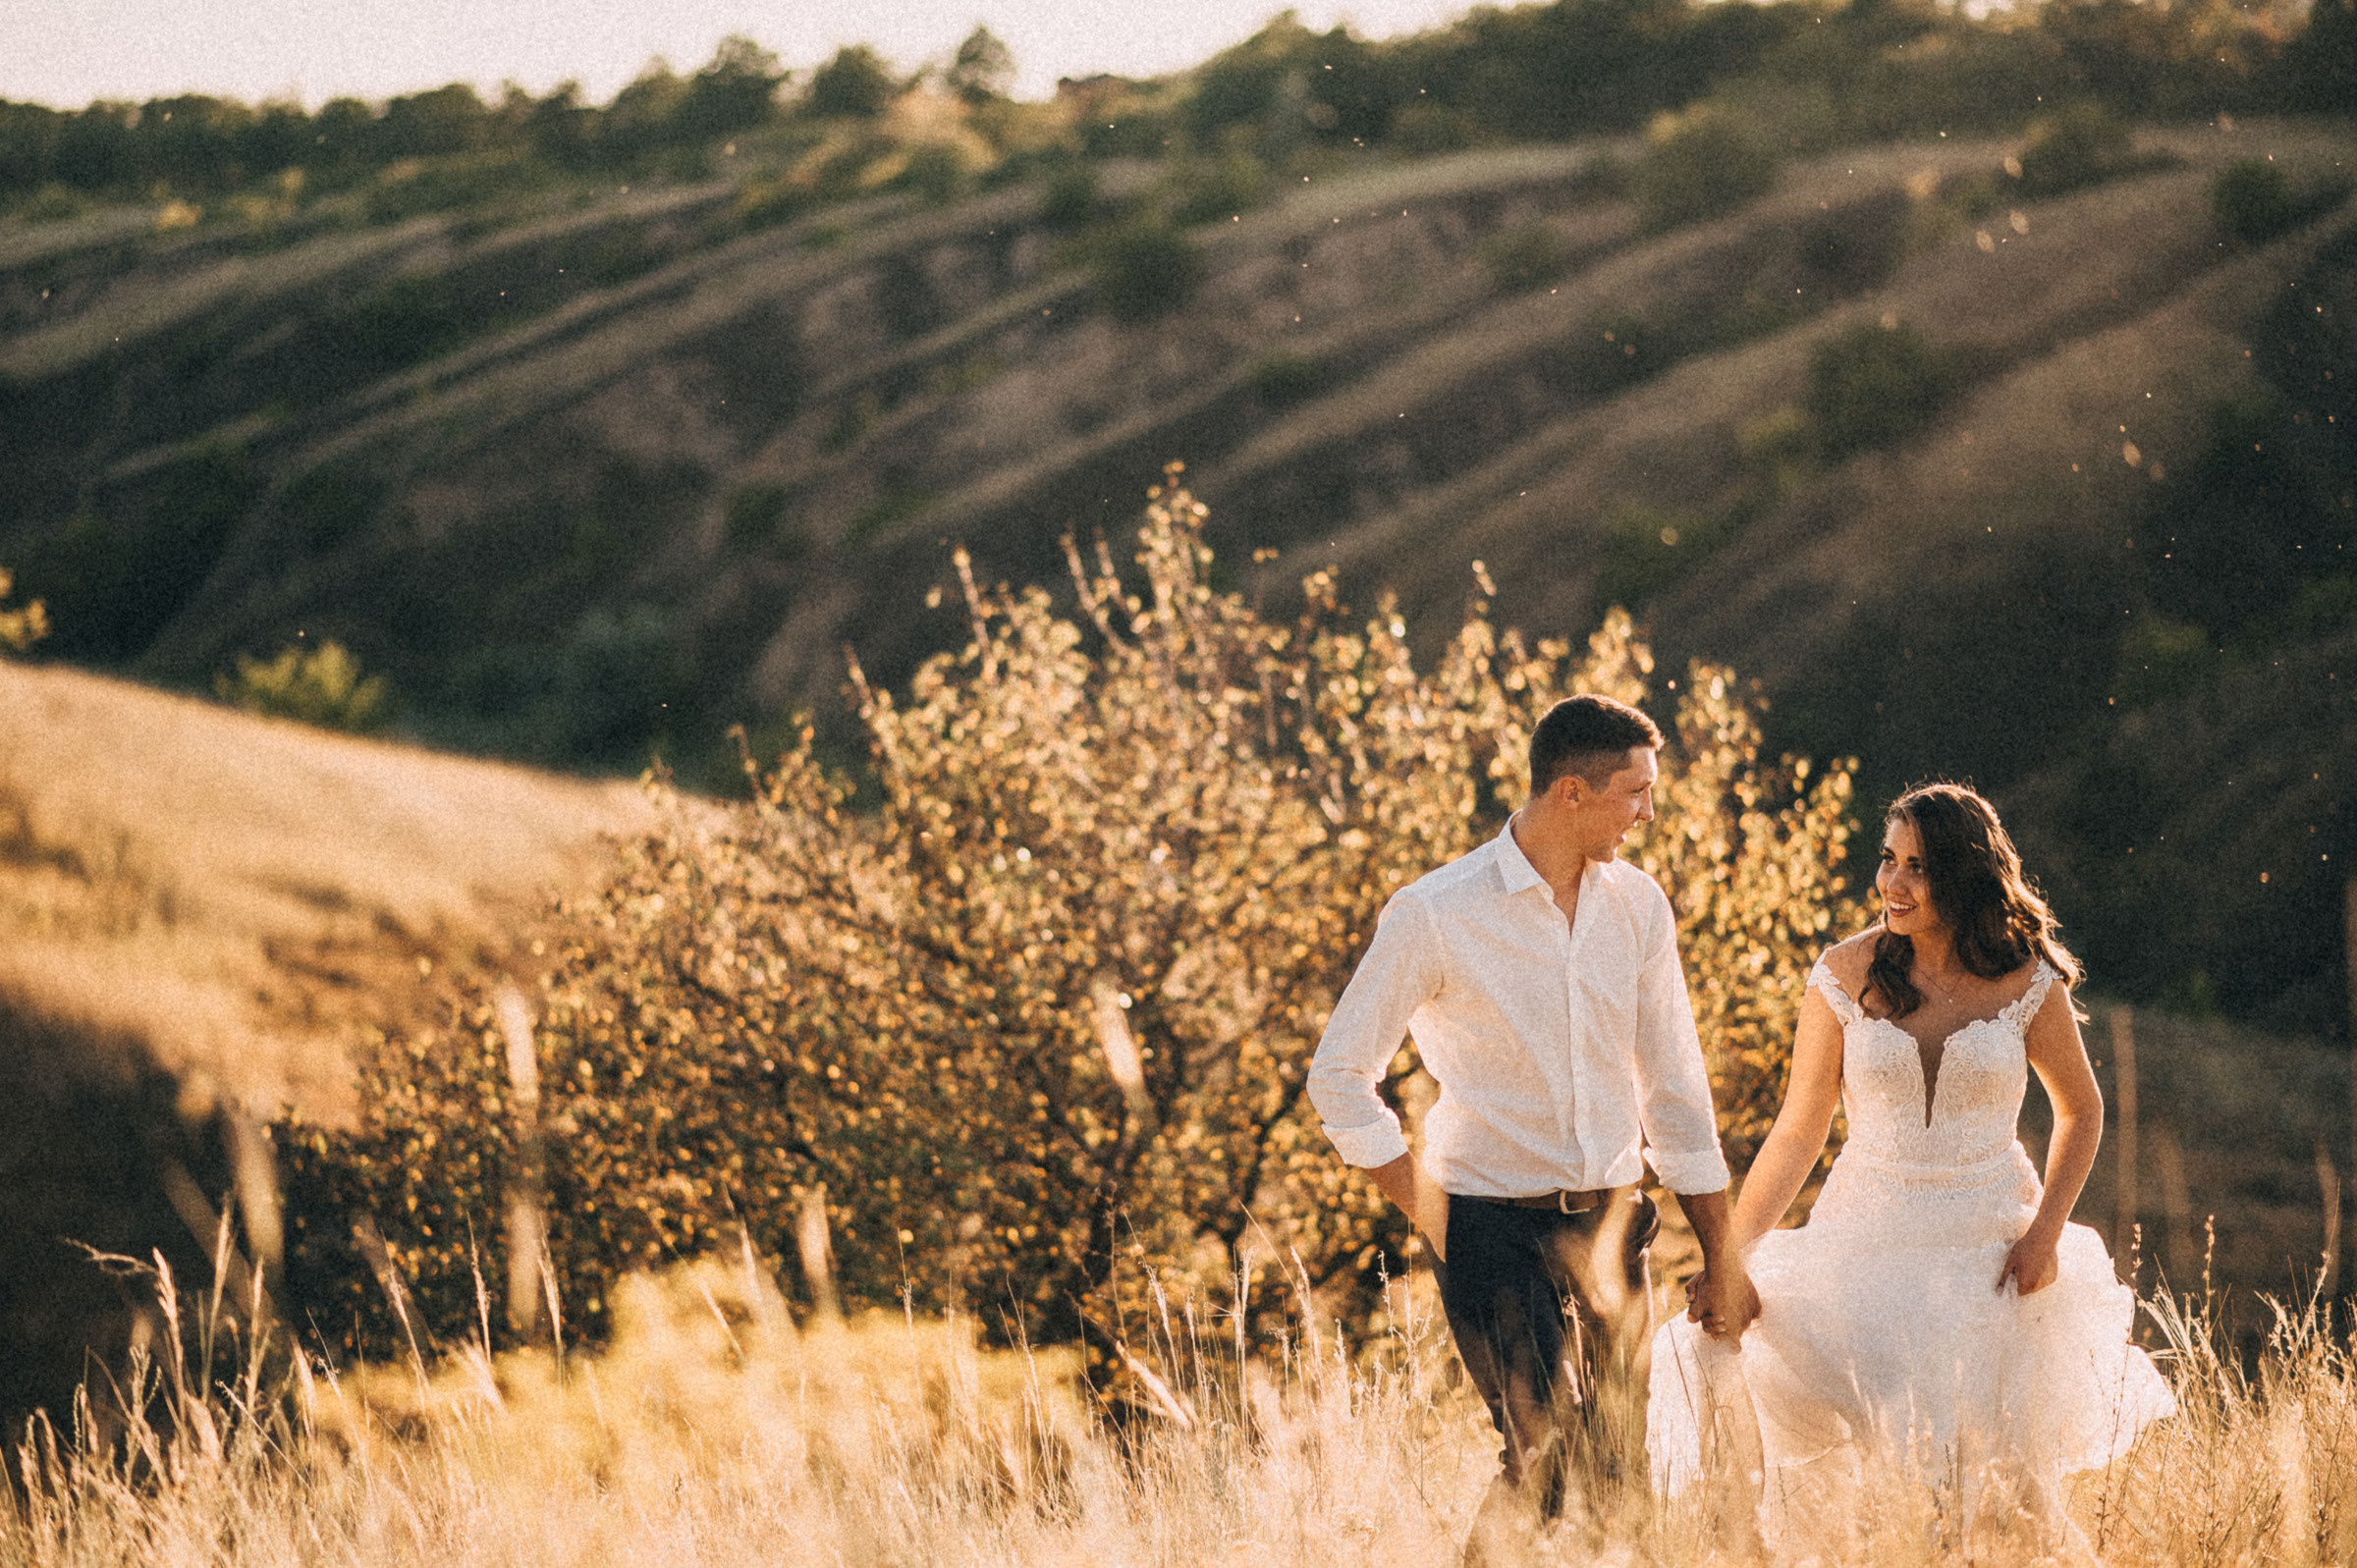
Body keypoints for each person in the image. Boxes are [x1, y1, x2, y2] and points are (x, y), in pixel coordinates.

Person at [1650, 783, 2174, 1553]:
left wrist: (2044, 1233)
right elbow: (1798, 1131)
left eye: (1917, 867)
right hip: (1863, 1249)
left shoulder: (2026, 978)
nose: (1892, 882)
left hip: (1987, 1256)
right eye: (1887, 859)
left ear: (1964, 874)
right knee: (1821, 1461)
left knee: (2009, 1502)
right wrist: (1732, 1253)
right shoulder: (1842, 972)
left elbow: (2082, 1111)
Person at [1308, 693, 1756, 1548]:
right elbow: (1338, 1076)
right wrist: (1429, 1209)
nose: (1648, 814)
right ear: (1571, 792)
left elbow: (1675, 1087)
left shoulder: (1639, 906)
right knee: (1544, 1453)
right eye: (1635, 792)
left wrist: (1721, 1254)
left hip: (1614, 1225)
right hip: (1488, 1229)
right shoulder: (1437, 911)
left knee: (1619, 1481)